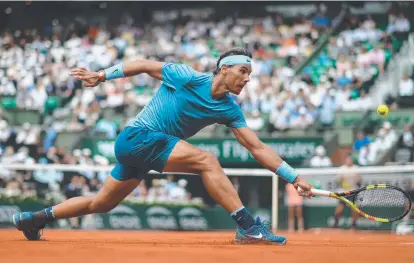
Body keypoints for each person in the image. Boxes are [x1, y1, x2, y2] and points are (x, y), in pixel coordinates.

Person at [12, 48, 313, 244]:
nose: (247, 79)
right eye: (242, 71)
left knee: (101, 203)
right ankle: (247, 226)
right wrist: (102, 76)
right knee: (207, 160)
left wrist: (294, 177)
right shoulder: (186, 76)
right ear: (224, 69)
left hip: (142, 150)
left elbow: (257, 148)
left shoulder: (229, 109)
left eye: (250, 74)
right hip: (138, 136)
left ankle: (34, 219)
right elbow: (143, 64)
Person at [333, 156, 362, 229]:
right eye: (347, 160)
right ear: (345, 160)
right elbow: (337, 181)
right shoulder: (341, 169)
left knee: (355, 209)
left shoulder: (356, 168)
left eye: (350, 159)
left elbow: (360, 181)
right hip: (343, 192)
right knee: (339, 209)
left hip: (353, 191)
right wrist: (341, 180)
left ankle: (354, 225)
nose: (349, 161)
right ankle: (336, 223)